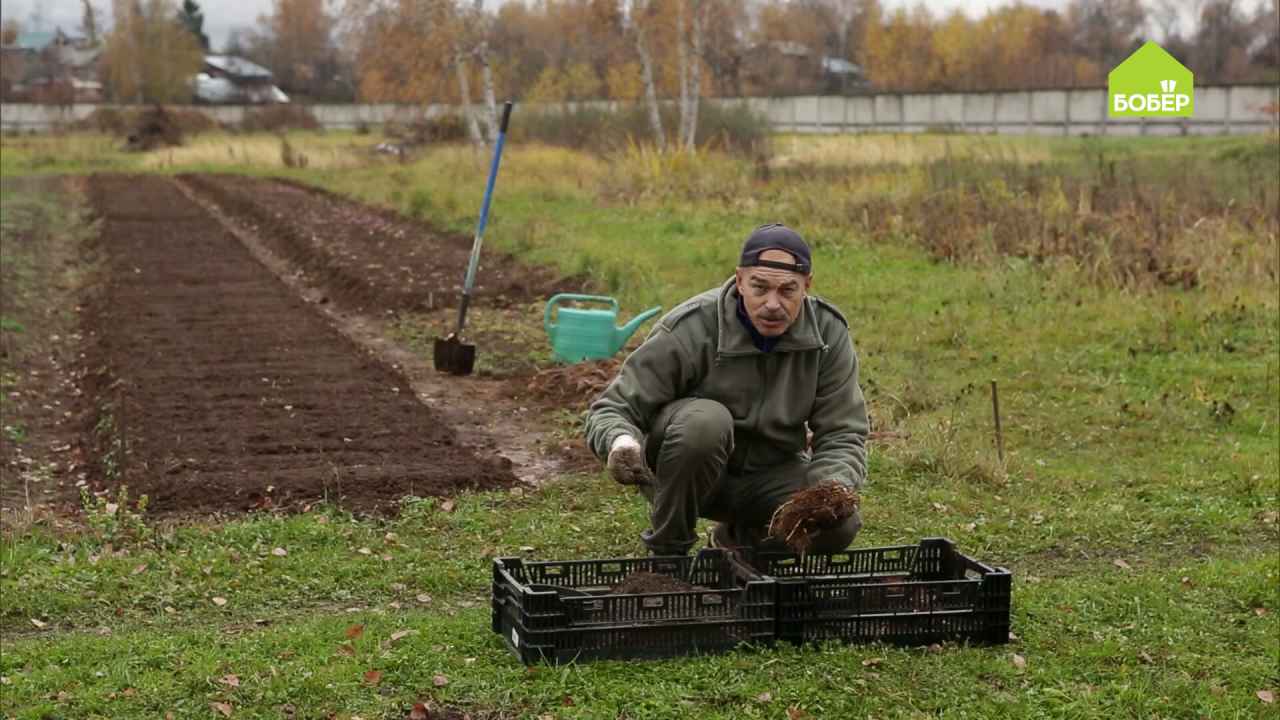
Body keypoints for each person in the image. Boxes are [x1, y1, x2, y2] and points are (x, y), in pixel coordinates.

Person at [584, 223, 869, 556]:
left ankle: (738, 545)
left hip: (769, 476)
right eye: (759, 287)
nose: (773, 304)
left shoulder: (827, 334)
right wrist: (621, 443)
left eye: (787, 291)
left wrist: (828, 492)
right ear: (739, 281)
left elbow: (843, 431)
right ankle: (667, 550)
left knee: (838, 526)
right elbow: (612, 407)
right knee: (706, 421)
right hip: (689, 472)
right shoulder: (692, 327)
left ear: (807, 286)